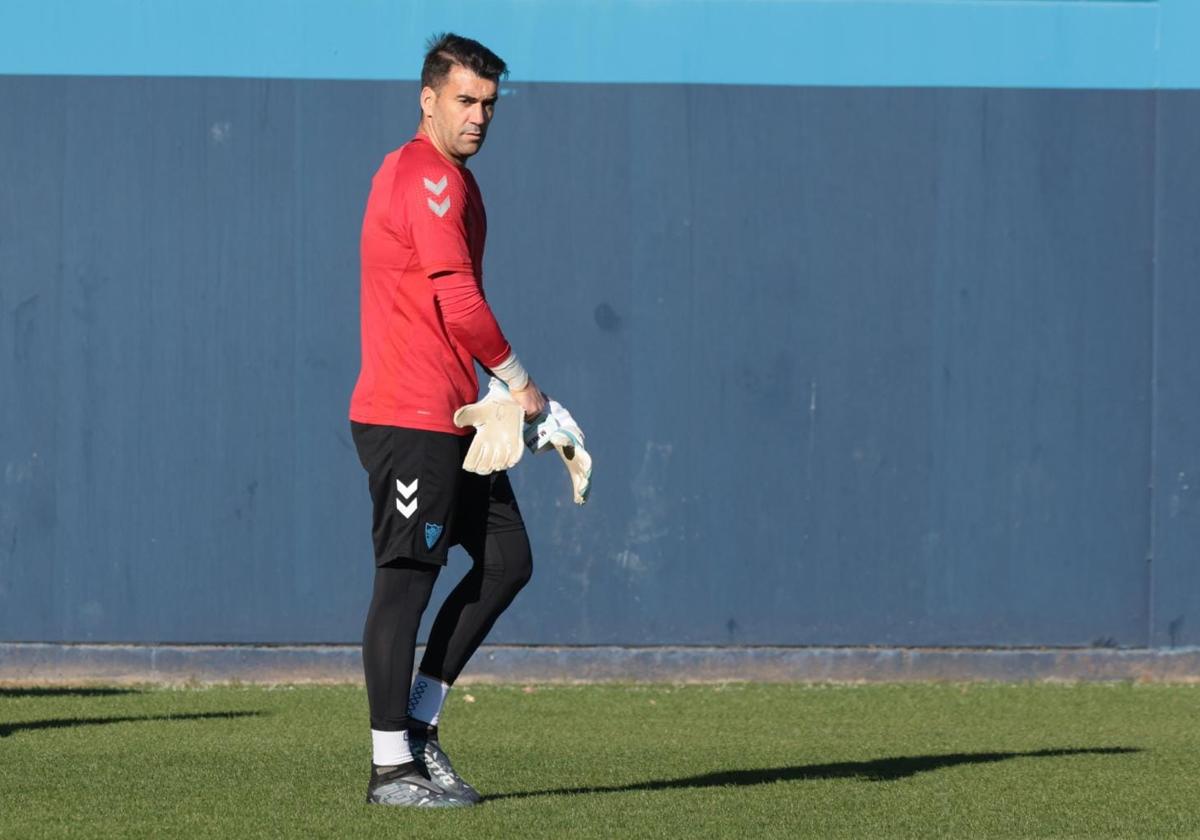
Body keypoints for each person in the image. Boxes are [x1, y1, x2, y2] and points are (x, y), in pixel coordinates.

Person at [348, 32, 545, 808]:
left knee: (508, 560)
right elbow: (456, 300)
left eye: (490, 104)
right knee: (405, 583)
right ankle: (389, 767)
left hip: (450, 414)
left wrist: (493, 389)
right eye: (465, 100)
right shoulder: (428, 177)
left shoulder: (446, 178)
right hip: (408, 416)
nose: (479, 116)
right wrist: (521, 383)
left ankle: (420, 729)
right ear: (427, 99)